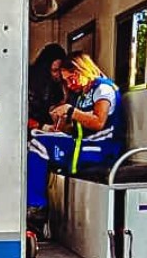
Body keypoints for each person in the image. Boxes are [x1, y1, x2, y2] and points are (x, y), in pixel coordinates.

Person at [26, 51, 124, 228]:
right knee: (36, 142)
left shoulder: (103, 89)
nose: (70, 84)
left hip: (101, 149)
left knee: (39, 146)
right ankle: (36, 205)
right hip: (84, 144)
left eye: (72, 78)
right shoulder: (83, 94)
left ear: (83, 70)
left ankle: (37, 207)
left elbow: (98, 122)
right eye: (66, 81)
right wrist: (58, 125)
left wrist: (71, 111)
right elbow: (78, 127)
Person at [28, 43, 68, 131]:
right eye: (55, 70)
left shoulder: (60, 84)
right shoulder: (29, 81)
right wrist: (42, 126)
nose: (59, 75)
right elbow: (20, 114)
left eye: (61, 70)